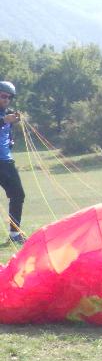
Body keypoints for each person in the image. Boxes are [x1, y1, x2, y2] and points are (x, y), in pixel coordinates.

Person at [0, 81, 26, 246]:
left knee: (18, 194)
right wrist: (4, 120)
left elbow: (9, 134)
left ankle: (15, 233)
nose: (6, 100)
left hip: (5, 162)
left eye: (9, 97)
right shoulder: (4, 116)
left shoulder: (7, 113)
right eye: (3, 96)